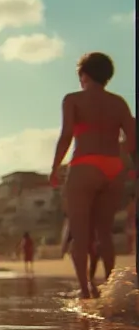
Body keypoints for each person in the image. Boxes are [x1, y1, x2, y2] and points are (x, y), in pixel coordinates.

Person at [50, 52, 136, 299]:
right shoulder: (119, 102)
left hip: (85, 165)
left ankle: (86, 291)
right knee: (104, 233)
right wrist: (125, 161)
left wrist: (55, 167)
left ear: (83, 75)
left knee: (80, 232)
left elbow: (67, 135)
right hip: (112, 168)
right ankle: (112, 292)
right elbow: (131, 138)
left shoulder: (73, 99)